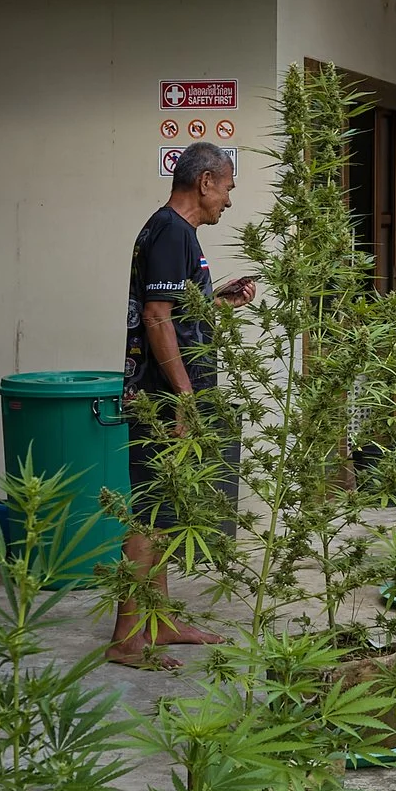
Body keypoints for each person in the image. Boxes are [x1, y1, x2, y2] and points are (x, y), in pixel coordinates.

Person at [113, 142, 254, 669]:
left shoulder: (173, 232)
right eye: (228, 189)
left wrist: (216, 299)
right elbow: (155, 318)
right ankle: (128, 638)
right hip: (162, 401)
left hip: (167, 398)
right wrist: (186, 399)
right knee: (150, 515)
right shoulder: (172, 231)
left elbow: (173, 310)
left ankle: (161, 622)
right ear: (206, 182)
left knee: (166, 511)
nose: (229, 201)